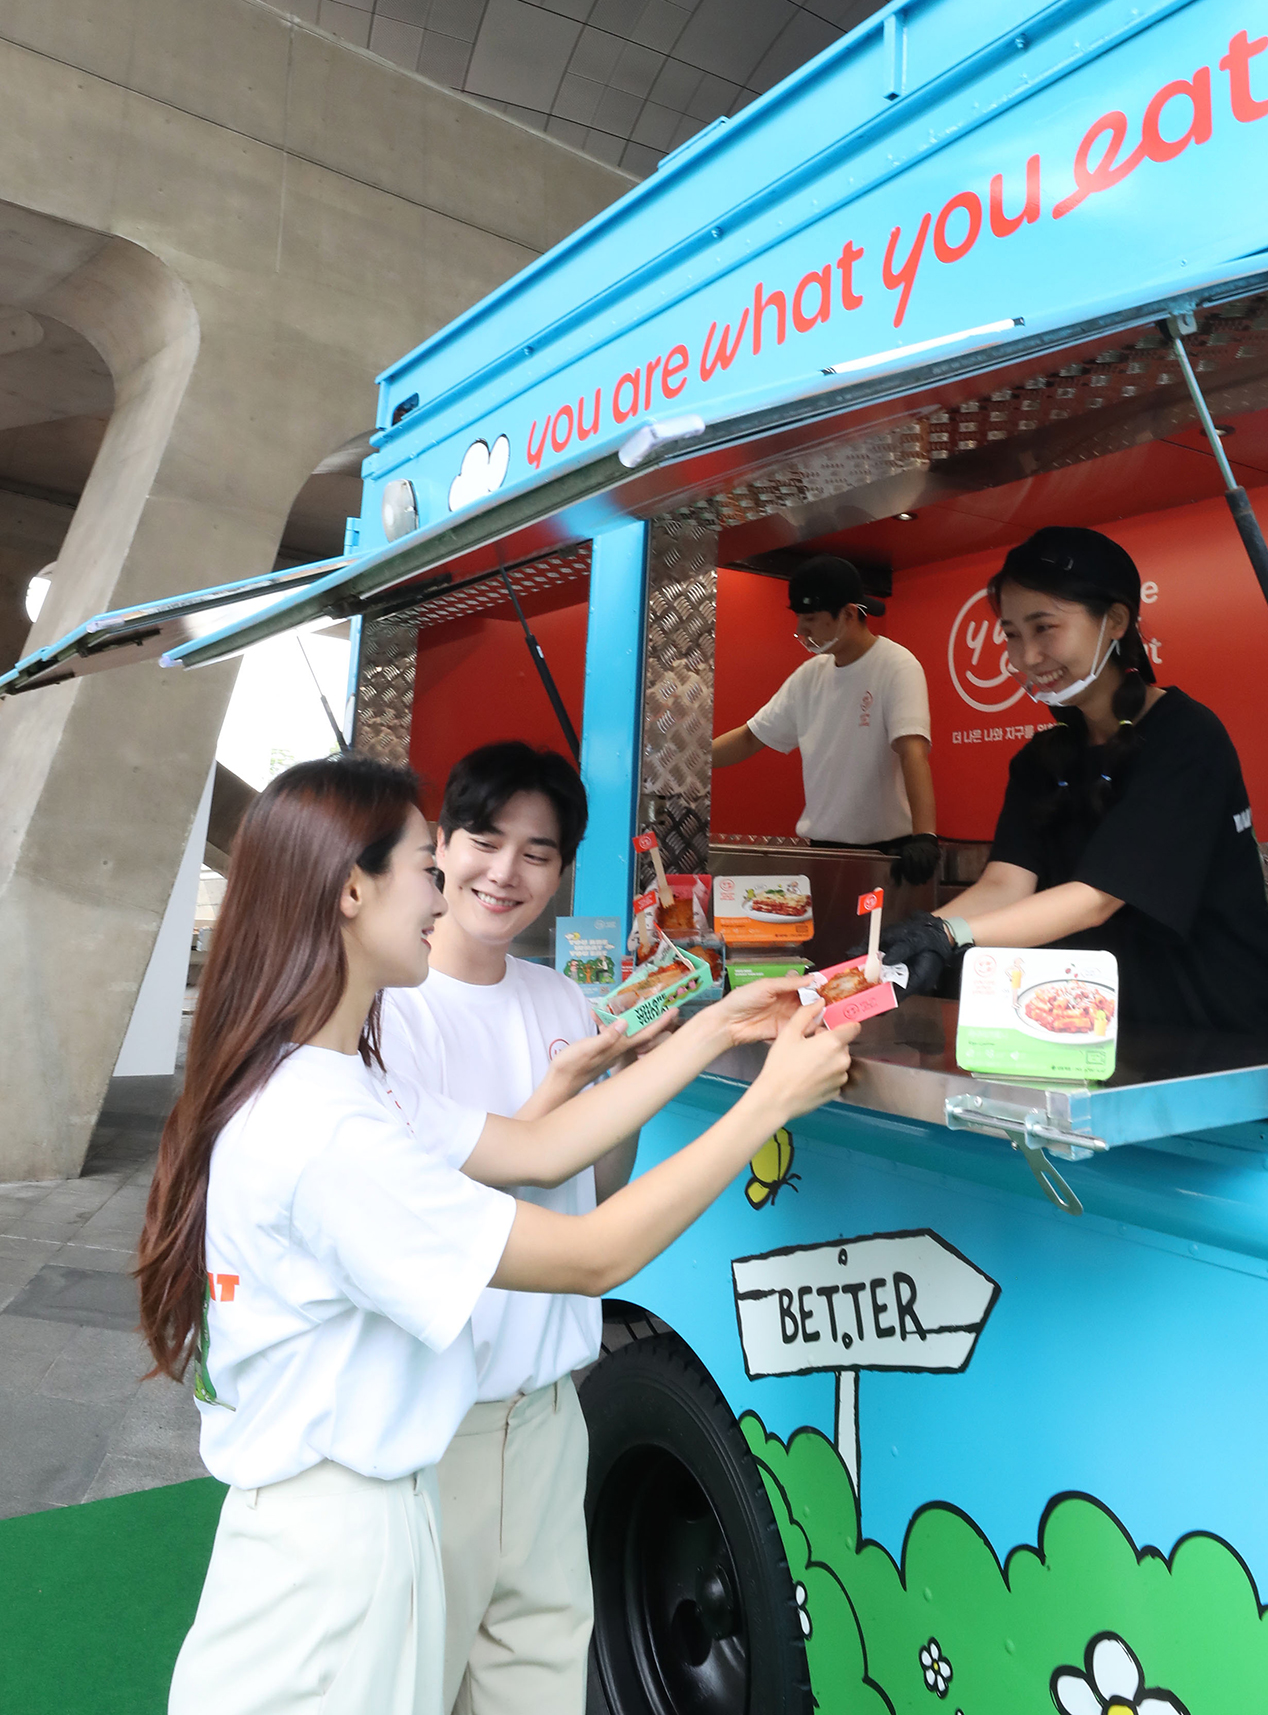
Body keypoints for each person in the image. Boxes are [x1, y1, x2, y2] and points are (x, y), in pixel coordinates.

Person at [137, 755, 852, 1715]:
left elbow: (539, 1144)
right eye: (427, 865)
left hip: (372, 1511)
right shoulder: (328, 1130)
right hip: (335, 1546)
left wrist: (716, 1027)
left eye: (536, 852)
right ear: (352, 889)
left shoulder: (340, 1082)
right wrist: (769, 1102)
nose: (446, 893)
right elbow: (592, 1255)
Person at [379, 742, 639, 1715]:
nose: (506, 872)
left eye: (538, 852)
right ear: (440, 845)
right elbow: (440, 1205)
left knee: (538, 1679)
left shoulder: (561, 997)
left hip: (549, 1410)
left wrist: (621, 1083)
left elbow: (595, 1184)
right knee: (416, 1680)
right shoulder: (385, 1011)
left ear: (562, 869)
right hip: (432, 1415)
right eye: (485, 840)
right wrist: (567, 1088)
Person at [881, 527, 1268, 1071]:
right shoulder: (1040, 759)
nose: (1027, 655)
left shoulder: (1186, 738)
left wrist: (951, 934)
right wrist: (909, 941)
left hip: (1216, 1037)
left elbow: (1098, 896)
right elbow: (1005, 885)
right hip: (1095, 1037)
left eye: (1045, 627)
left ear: (1116, 621)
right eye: (1011, 634)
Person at [711, 554, 940, 885]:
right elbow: (750, 737)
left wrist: (925, 837)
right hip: (823, 852)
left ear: (848, 614)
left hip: (887, 855)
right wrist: (693, 766)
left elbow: (913, 752)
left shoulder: (896, 665)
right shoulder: (809, 676)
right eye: (798, 619)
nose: (800, 631)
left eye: (810, 620)